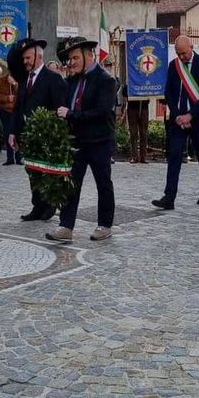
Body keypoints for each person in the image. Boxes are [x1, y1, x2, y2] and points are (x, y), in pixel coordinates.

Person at [46, 37, 117, 243]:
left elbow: (101, 111)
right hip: (77, 142)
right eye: (70, 59)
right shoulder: (72, 80)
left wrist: (71, 115)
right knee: (71, 184)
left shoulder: (106, 80)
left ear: (89, 56)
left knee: (103, 183)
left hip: (100, 141)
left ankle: (105, 225)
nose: (71, 63)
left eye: (75, 58)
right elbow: (63, 105)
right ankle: (66, 226)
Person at [151, 35, 199, 208]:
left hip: (196, 118)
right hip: (178, 119)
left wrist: (190, 115)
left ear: (191, 48)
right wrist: (178, 115)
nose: (181, 57)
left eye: (184, 53)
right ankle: (169, 197)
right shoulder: (174, 66)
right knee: (174, 155)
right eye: (178, 54)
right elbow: (169, 93)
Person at [9, 38, 66, 220]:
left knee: (47, 171)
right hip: (28, 134)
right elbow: (18, 107)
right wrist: (13, 132)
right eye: (23, 58)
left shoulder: (53, 79)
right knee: (33, 171)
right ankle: (37, 206)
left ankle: (50, 204)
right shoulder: (24, 78)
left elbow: (59, 108)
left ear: (38, 56)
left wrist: (55, 134)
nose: (25, 61)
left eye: (27, 58)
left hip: (47, 135)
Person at [0, 67, 21, 165]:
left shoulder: (21, 80)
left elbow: (23, 94)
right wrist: (6, 98)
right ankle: (10, 158)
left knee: (17, 133)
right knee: (8, 133)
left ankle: (18, 157)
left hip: (17, 111)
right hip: (5, 111)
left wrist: (15, 84)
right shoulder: (1, 81)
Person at [122, 84, 149, 163]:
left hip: (144, 108)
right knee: (133, 133)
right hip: (132, 109)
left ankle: (143, 157)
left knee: (144, 133)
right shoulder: (130, 82)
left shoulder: (146, 82)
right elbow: (124, 94)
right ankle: (134, 156)